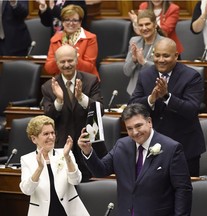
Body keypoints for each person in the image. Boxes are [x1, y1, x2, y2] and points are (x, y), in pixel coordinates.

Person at [78, 103, 192, 216]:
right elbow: (100, 171)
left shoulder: (171, 149)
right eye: (129, 128)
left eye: (138, 126)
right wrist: (87, 151)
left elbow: (183, 190)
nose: (135, 132)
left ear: (149, 122)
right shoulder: (121, 146)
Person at [129, 37, 206, 177]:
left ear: (176, 56)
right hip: (153, 147)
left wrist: (166, 97)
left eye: (166, 55)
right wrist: (151, 99)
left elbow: (191, 109)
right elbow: (132, 106)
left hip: (185, 148)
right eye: (157, 55)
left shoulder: (191, 76)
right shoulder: (145, 75)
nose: (161, 60)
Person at [41, 44, 104, 182]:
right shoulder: (48, 87)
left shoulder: (90, 80)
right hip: (61, 147)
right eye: (62, 62)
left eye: (70, 60)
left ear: (77, 59)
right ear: (57, 63)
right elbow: (47, 120)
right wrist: (59, 100)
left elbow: (100, 111)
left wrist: (81, 97)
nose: (67, 65)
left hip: (87, 145)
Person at [19, 115, 89, 216]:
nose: (51, 137)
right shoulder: (27, 159)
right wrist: (39, 168)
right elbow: (27, 190)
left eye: (52, 133)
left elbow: (76, 180)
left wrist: (67, 158)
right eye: (46, 134)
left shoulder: (65, 153)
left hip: (69, 211)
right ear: (34, 139)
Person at [44, 4, 100, 79]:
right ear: (63, 22)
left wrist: (73, 54)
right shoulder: (55, 39)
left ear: (80, 22)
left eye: (75, 20)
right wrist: (60, 56)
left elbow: (89, 68)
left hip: (86, 81)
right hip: (62, 81)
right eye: (67, 20)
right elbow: (49, 69)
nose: (71, 23)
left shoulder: (90, 38)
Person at [124, 9, 164, 95]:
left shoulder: (164, 43)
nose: (144, 28)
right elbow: (126, 72)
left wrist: (144, 62)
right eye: (141, 25)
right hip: (135, 92)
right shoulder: (134, 41)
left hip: (156, 92)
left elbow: (164, 71)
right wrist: (134, 60)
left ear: (155, 24)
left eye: (147, 24)